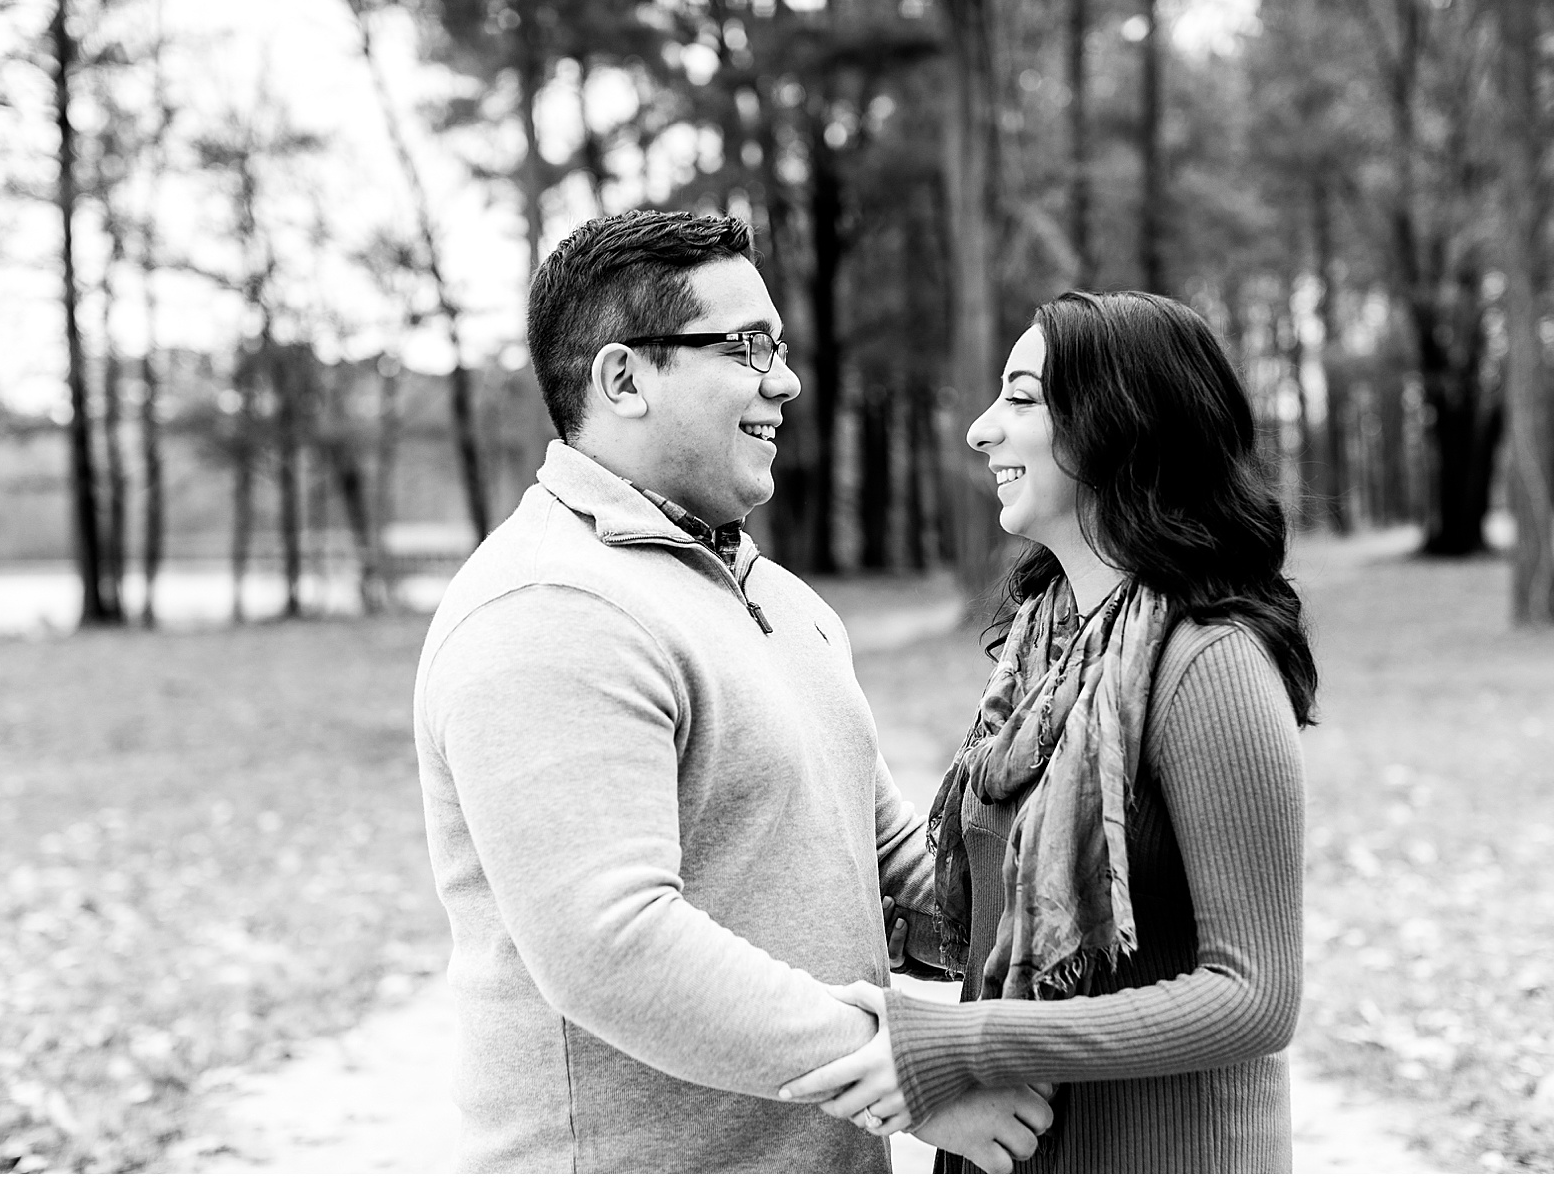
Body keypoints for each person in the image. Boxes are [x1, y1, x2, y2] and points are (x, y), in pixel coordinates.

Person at [411, 209, 1052, 1172]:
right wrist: (910, 1073)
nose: (785, 379)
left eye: (782, 346)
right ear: (623, 378)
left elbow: (887, 870)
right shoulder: (550, 607)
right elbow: (611, 945)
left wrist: (1069, 931)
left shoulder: (780, 601)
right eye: (746, 346)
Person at [781, 290, 1316, 1173]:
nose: (981, 431)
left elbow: (1254, 997)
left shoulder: (1208, 661)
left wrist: (967, 1041)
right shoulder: (1045, 651)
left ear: (1121, 423)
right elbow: (1000, 902)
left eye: (1022, 398)